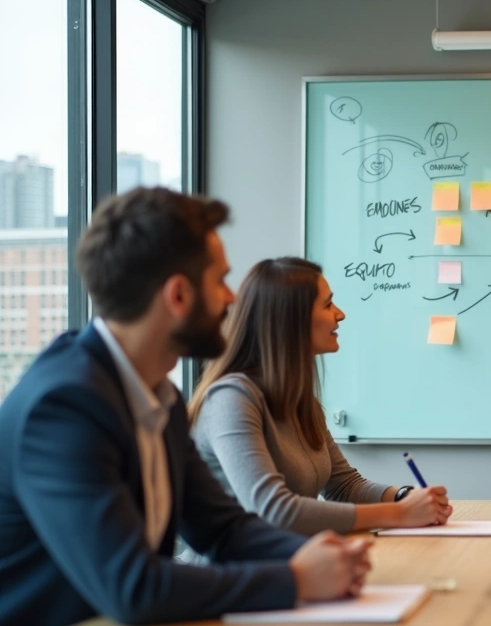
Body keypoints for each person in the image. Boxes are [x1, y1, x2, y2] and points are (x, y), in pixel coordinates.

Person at [0, 188, 371, 626]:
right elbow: (132, 589)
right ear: (178, 296)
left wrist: (318, 555)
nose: (232, 299)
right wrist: (294, 579)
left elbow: (222, 529)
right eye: (219, 281)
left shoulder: (159, 396)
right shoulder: (63, 408)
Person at [189, 257, 452, 535]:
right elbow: (273, 510)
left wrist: (403, 497)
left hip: (292, 561)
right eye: (328, 305)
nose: (340, 314)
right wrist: (398, 514)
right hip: (234, 573)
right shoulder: (231, 399)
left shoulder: (301, 403)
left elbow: (343, 487)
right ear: (291, 321)